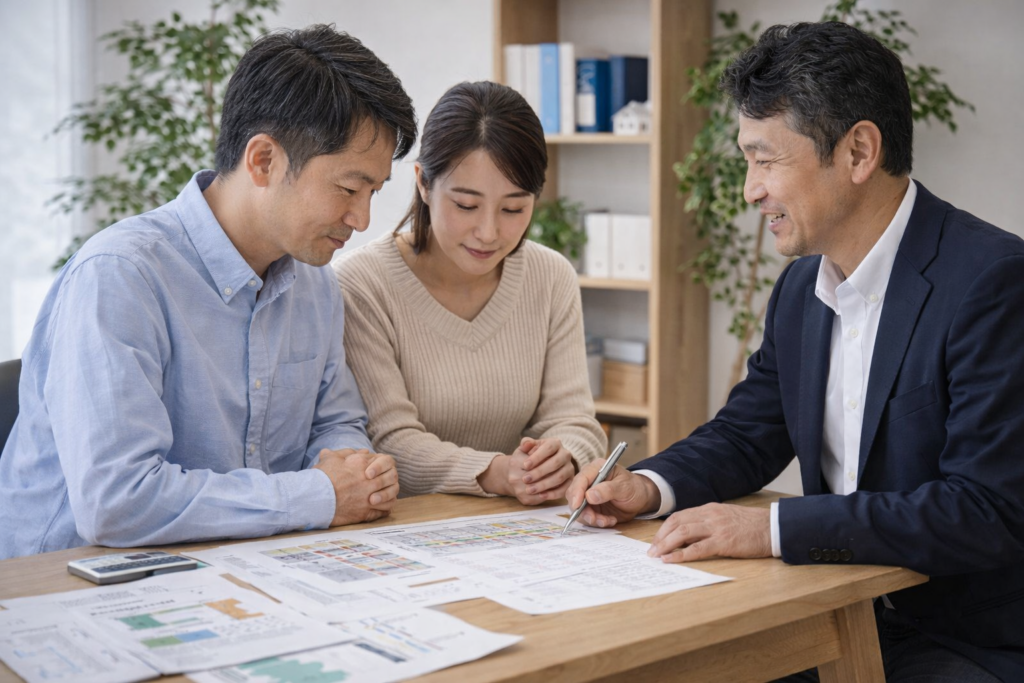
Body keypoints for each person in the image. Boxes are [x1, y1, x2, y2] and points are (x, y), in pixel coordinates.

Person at [566, 22, 1024, 682]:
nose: (750, 190)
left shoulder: (993, 281)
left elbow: (983, 510)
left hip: (967, 642)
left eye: (766, 160)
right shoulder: (800, 289)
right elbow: (745, 434)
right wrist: (646, 485)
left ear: (858, 151)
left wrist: (771, 529)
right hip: (834, 609)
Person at [0, 25, 418, 559]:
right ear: (263, 160)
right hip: (67, 580)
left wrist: (358, 471)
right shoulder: (120, 275)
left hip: (230, 565)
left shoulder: (314, 284)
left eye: (373, 192)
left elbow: (336, 423)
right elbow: (116, 501)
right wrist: (318, 495)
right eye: (348, 188)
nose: (362, 219)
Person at [334, 81, 606, 504]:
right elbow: (389, 442)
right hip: (409, 524)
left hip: (520, 524)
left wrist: (562, 458)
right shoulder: (362, 284)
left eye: (514, 208)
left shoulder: (551, 277)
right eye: (466, 205)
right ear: (424, 183)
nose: (489, 232)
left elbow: (575, 420)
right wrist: (496, 473)